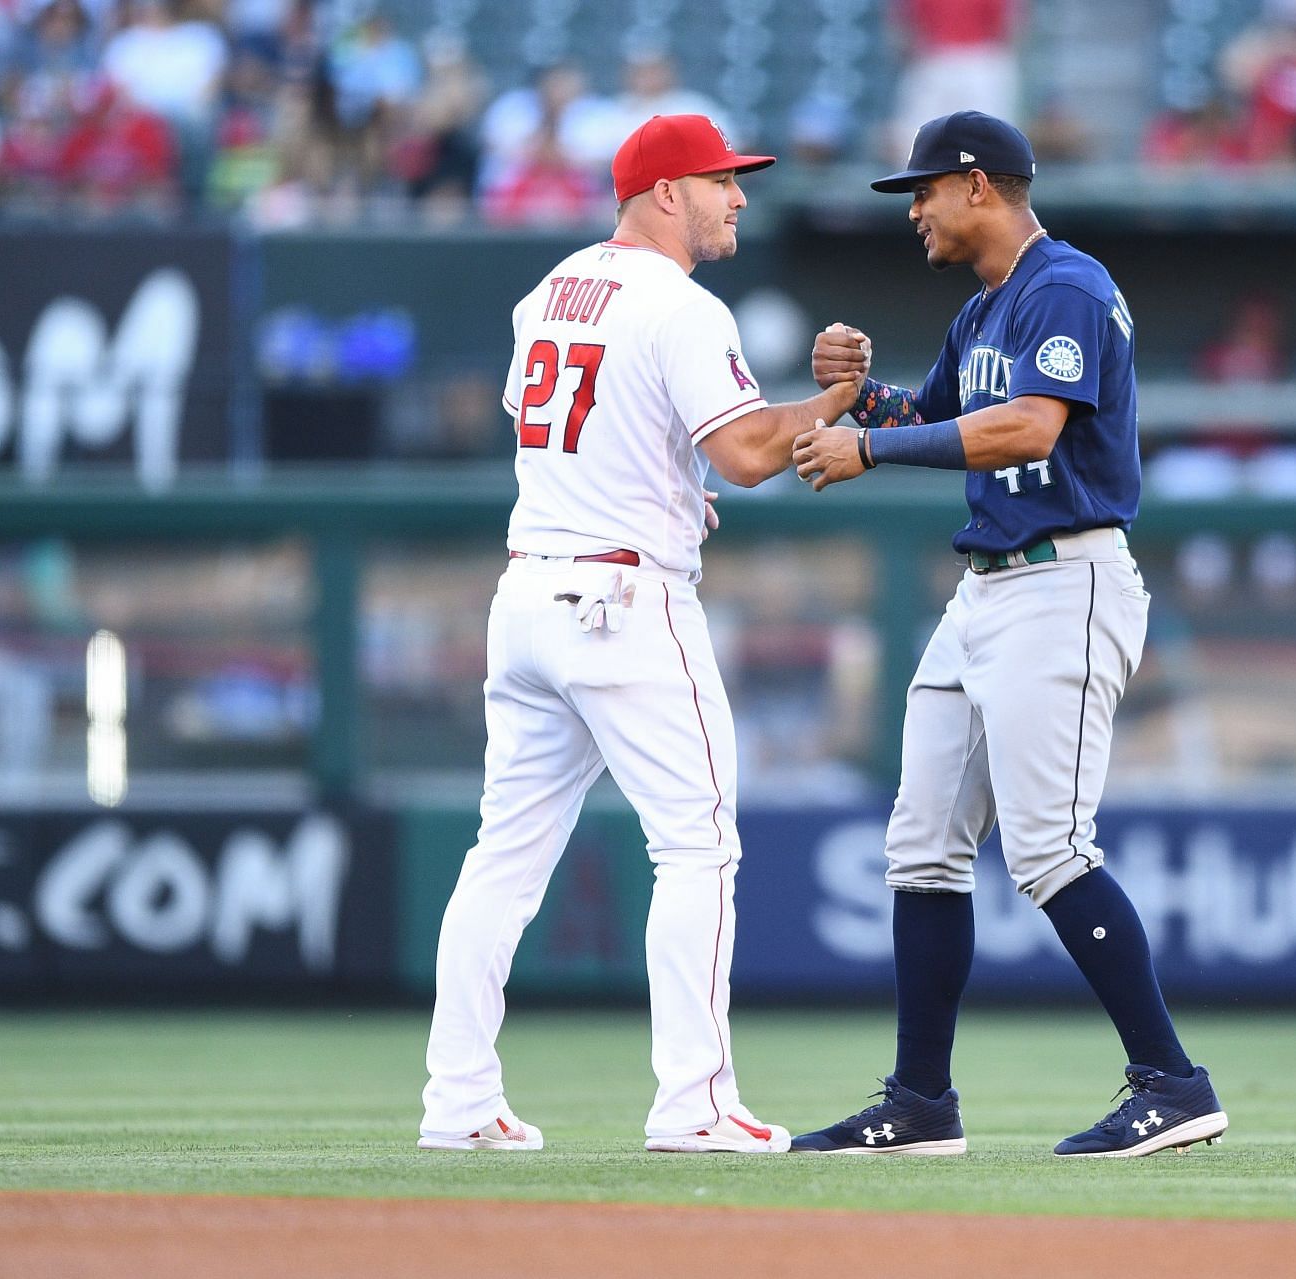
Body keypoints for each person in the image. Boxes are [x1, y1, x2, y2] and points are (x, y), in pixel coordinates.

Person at [787, 111, 1229, 1158]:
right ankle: (921, 1102)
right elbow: (934, 419)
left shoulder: (1061, 284)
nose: (916, 214)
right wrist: (863, 393)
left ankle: (1173, 1081)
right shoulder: (984, 311)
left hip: (1061, 580)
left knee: (1047, 849)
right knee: (922, 847)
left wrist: (870, 451)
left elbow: (1030, 428)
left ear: (978, 184)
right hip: (987, 587)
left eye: (924, 192)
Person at [418, 113, 862, 1155]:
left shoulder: (548, 291)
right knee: (700, 844)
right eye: (720, 180)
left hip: (529, 593)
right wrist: (834, 398)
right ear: (667, 192)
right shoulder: (680, 303)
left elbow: (575, 428)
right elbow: (751, 454)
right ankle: (693, 1104)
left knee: (501, 861)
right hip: (623, 605)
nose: (737, 197)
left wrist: (666, 487)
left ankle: (456, 1101)